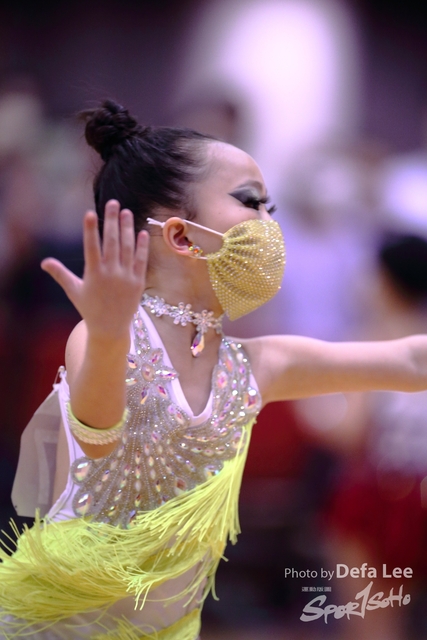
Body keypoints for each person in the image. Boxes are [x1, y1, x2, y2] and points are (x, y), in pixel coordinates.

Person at [1, 100, 427, 640]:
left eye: (271, 207)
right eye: (251, 202)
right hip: (59, 627)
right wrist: (107, 336)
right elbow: (98, 437)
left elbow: (411, 360)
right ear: (181, 236)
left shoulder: (259, 363)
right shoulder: (104, 338)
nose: (270, 225)